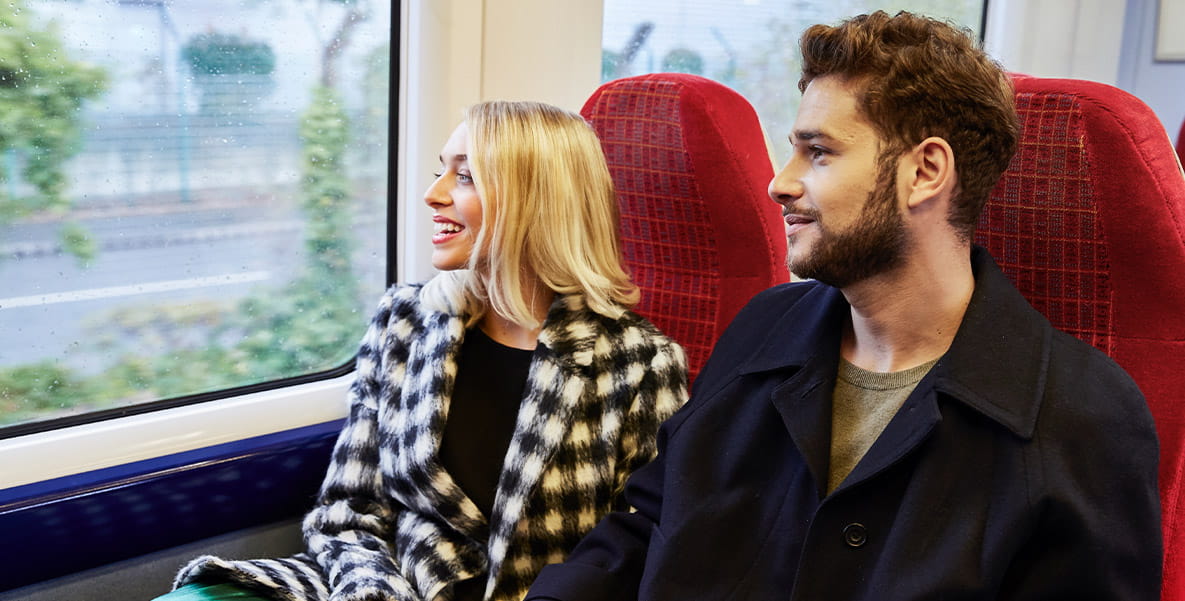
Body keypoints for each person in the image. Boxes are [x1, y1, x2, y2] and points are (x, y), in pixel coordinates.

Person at [525, 11, 1161, 601]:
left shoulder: (1085, 417)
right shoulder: (763, 330)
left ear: (925, 171)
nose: (780, 181)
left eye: (819, 152)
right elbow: (649, 523)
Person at [157, 101, 688, 601]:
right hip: (384, 584)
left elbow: (635, 550)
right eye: (441, 171)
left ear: (536, 201)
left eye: (464, 175)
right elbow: (349, 510)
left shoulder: (639, 364)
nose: (433, 194)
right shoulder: (405, 322)